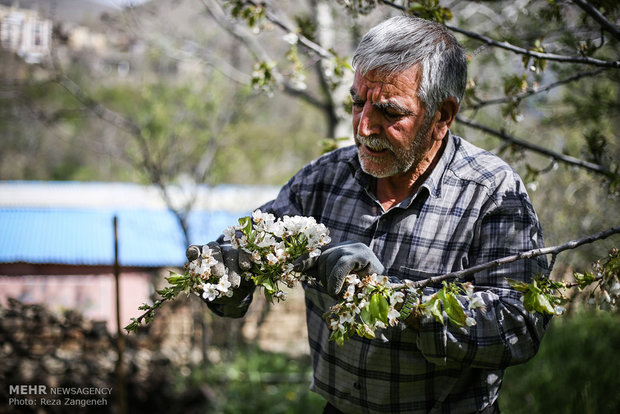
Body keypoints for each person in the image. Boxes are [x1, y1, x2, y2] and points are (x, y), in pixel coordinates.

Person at [189, 15, 549, 413]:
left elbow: (521, 326)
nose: (364, 127)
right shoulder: (323, 181)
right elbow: (252, 250)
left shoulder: (492, 193)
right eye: (358, 103)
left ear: (442, 116)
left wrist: (395, 299)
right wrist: (227, 271)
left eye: (390, 113)